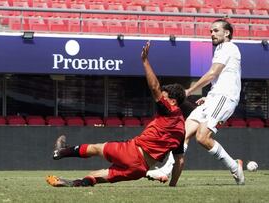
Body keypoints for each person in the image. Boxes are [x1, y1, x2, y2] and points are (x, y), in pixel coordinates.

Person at [46, 41, 186, 187]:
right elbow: (180, 160)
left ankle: (61, 152)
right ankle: (77, 183)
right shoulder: (181, 130)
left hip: (131, 153)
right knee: (96, 176)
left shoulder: (170, 111)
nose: (161, 100)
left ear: (173, 101)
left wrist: (145, 62)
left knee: (96, 148)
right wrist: (173, 185)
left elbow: (155, 87)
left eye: (164, 97)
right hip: (139, 170)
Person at [146, 19, 245, 185]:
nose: (212, 34)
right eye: (211, 31)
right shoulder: (222, 49)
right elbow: (223, 77)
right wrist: (210, 96)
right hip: (215, 97)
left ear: (226, 33)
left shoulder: (228, 47)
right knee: (182, 133)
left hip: (224, 97)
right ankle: (166, 170)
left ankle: (235, 167)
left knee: (202, 137)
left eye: (215, 31)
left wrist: (189, 91)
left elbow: (213, 73)